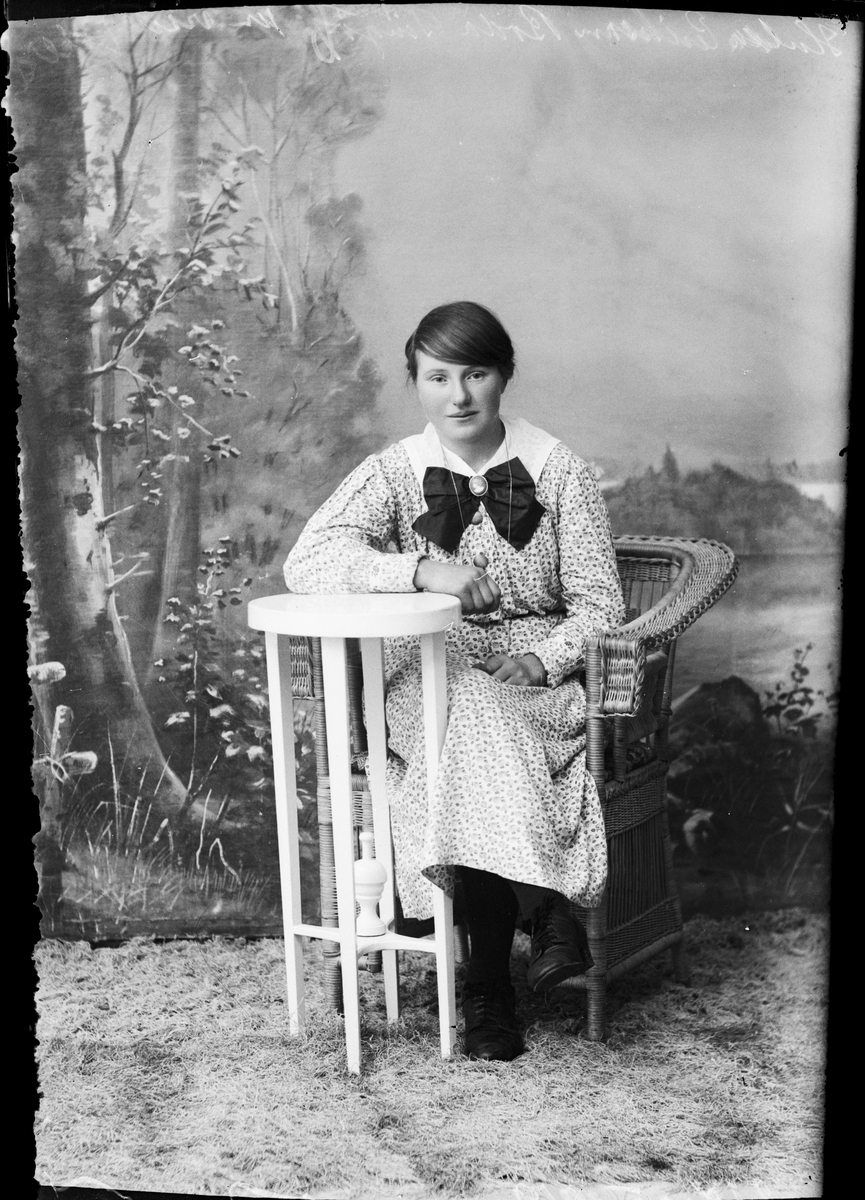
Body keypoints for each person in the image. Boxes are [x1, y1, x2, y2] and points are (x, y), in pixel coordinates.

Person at [284, 301, 625, 1061]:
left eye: (475, 374)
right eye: (438, 377)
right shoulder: (395, 472)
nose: (459, 395)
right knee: (462, 702)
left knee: (471, 724)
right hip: (424, 674)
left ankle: (486, 987)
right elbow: (307, 561)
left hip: (534, 685)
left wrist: (544, 660)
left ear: (504, 376)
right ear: (416, 382)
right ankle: (543, 907)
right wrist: (418, 568)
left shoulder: (558, 471)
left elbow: (601, 604)